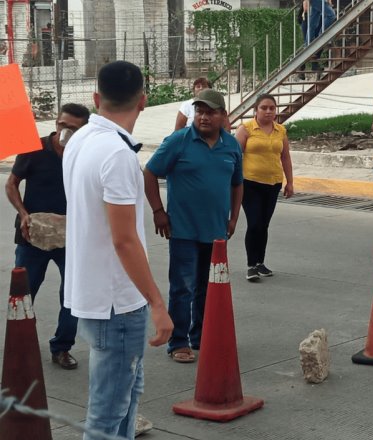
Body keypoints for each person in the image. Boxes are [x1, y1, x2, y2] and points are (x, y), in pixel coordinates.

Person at [62, 60, 173, 439]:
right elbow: (123, 239)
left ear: (96, 98)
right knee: (108, 416)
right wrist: (157, 303)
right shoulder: (117, 154)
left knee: (125, 401)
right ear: (143, 101)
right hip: (117, 302)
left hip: (94, 295)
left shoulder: (80, 140)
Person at [144, 89, 243, 363]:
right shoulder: (178, 141)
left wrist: (233, 218)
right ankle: (178, 342)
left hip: (215, 232)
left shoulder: (231, 145)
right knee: (183, 287)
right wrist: (158, 212)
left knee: (208, 287)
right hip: (183, 230)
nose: (203, 116)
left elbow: (237, 183)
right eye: (199, 111)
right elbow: (150, 172)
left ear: (223, 115)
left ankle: (201, 336)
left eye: (210, 111)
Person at [5, 103, 89, 370]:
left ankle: (62, 347)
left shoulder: (86, 154)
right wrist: (23, 213)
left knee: (72, 296)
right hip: (33, 235)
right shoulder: (35, 149)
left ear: (83, 131)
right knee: (24, 292)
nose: (65, 131)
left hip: (71, 237)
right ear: (56, 123)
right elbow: (11, 183)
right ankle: (18, 343)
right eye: (62, 125)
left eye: (73, 128)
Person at [234, 94, 294, 281]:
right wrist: (233, 182)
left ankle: (261, 262)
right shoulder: (246, 129)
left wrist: (289, 182)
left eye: (272, 108)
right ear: (256, 110)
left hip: (273, 183)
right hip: (250, 183)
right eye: (264, 108)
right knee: (254, 223)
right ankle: (251, 265)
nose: (268, 111)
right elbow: (235, 156)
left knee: (264, 224)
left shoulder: (280, 131)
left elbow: (285, 157)